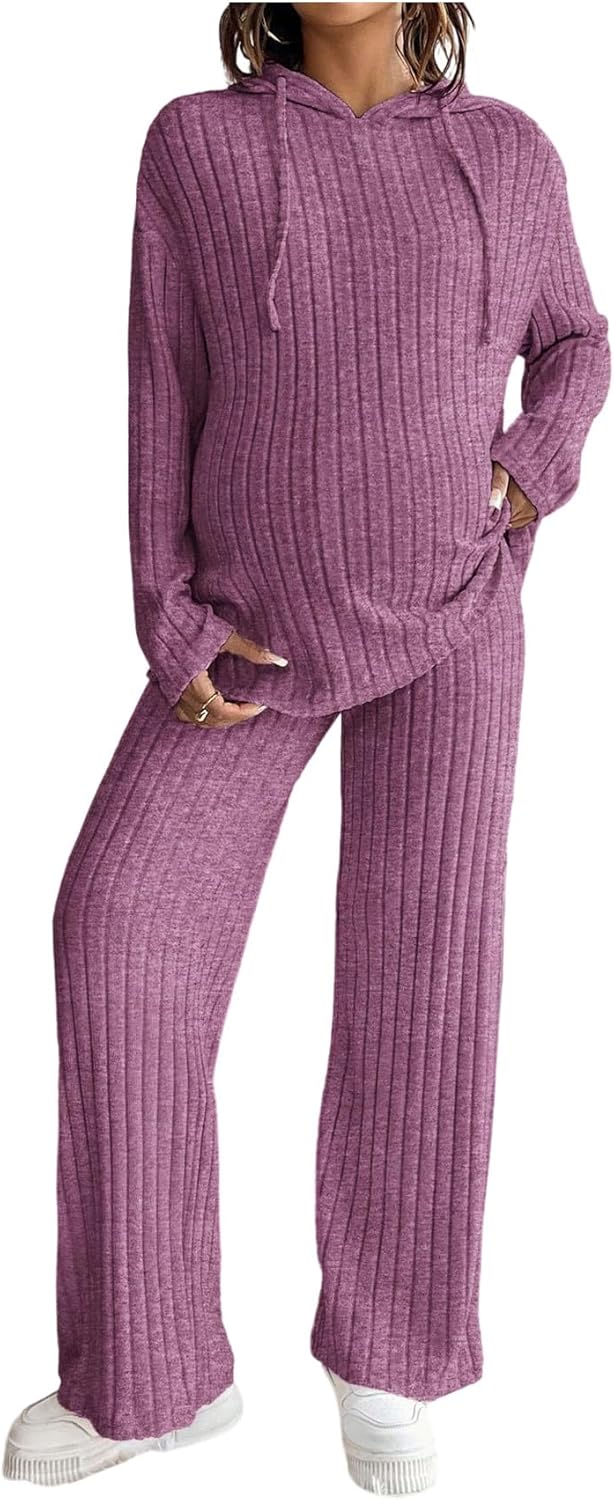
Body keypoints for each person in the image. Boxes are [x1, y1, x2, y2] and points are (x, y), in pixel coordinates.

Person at [3, 3, 610, 1493]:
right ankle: (152, 1371)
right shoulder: (198, 146)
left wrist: (527, 473)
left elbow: (577, 343)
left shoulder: (506, 152)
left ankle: (389, 1360)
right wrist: (168, 615)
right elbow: (162, 381)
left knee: (421, 980)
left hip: (455, 620)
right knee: (118, 931)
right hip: (249, 639)